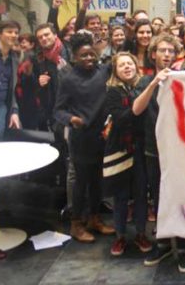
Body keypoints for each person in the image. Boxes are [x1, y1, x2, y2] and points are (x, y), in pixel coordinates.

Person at [133, 34, 185, 272]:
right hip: (153, 148)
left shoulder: (184, 79)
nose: (166, 54)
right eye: (162, 50)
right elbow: (137, 109)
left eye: (171, 51)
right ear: (154, 53)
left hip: (180, 149)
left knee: (182, 196)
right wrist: (153, 83)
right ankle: (165, 242)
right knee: (159, 198)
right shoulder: (145, 80)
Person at [54, 32, 115, 243]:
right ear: (74, 57)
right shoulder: (69, 79)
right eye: (84, 55)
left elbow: (124, 53)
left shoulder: (103, 71)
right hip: (81, 139)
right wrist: (72, 119)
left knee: (98, 181)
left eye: (91, 54)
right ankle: (76, 224)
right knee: (81, 183)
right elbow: (58, 110)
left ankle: (94, 219)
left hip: (101, 137)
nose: (89, 58)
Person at [103, 52, 152, 256]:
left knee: (141, 193)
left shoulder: (144, 86)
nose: (126, 67)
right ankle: (120, 236)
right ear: (116, 70)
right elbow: (122, 118)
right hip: (120, 148)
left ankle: (141, 233)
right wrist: (137, 108)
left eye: (129, 63)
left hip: (140, 147)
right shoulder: (112, 91)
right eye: (121, 65)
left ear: (136, 65)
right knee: (121, 195)